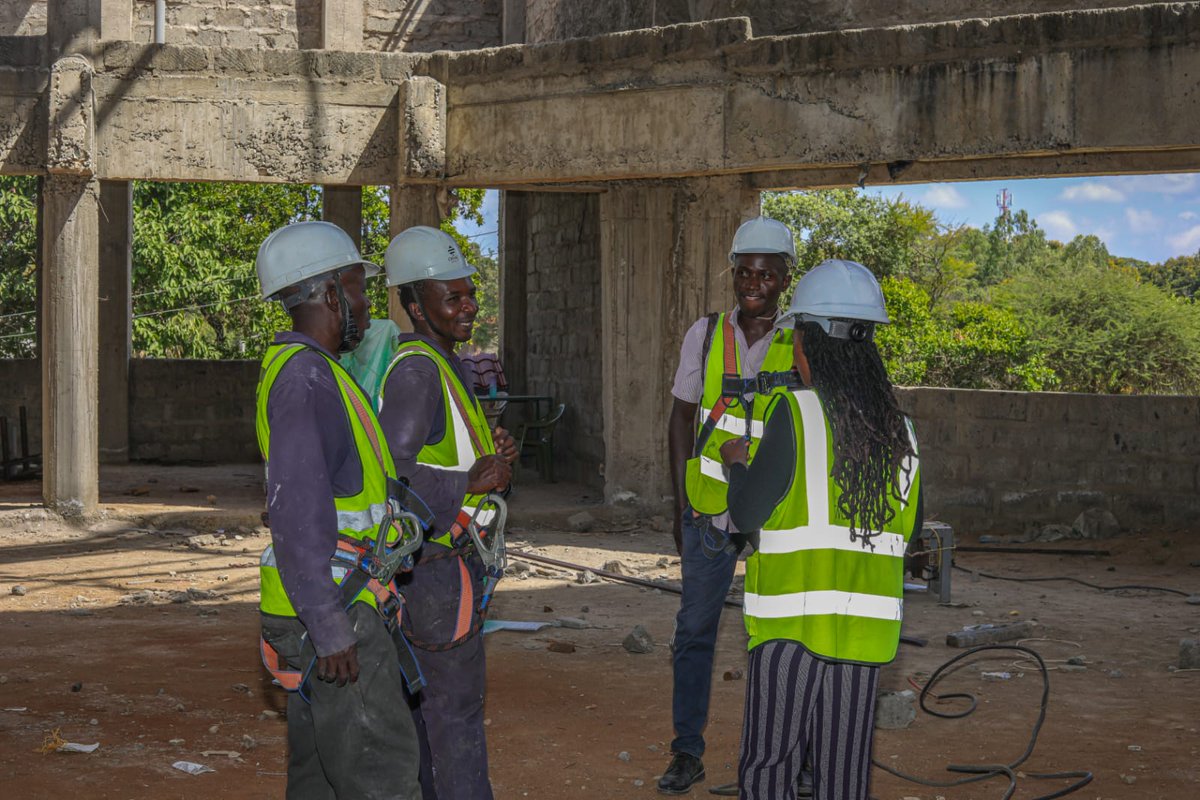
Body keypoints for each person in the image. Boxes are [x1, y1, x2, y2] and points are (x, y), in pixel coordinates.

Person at [718, 259, 923, 800]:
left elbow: (747, 513)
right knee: (843, 771)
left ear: (811, 344)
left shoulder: (796, 413)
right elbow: (912, 528)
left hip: (791, 628)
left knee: (770, 763)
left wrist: (737, 461)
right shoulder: (900, 431)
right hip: (863, 632)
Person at [253, 220, 422, 800]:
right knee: (380, 773)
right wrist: (329, 628)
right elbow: (297, 515)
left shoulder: (315, 373)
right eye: (359, 289)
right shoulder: (305, 380)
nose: (368, 308)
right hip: (335, 611)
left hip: (327, 604)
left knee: (321, 775)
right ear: (329, 294)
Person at [377, 225, 518, 800]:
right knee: (454, 718)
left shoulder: (445, 363)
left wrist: (494, 453)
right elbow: (391, 472)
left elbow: (450, 449)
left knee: (429, 715)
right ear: (415, 305)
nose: (468, 307)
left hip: (442, 571)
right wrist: (468, 479)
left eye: (470, 294)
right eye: (452, 298)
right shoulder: (417, 372)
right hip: (437, 577)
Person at [660, 216, 796, 794]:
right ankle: (686, 752)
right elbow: (681, 418)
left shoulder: (803, 337)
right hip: (711, 508)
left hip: (778, 515)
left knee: (782, 636)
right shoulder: (707, 334)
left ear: (785, 277)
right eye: (744, 272)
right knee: (694, 631)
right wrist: (678, 504)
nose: (753, 283)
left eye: (766, 274)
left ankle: (783, 757)